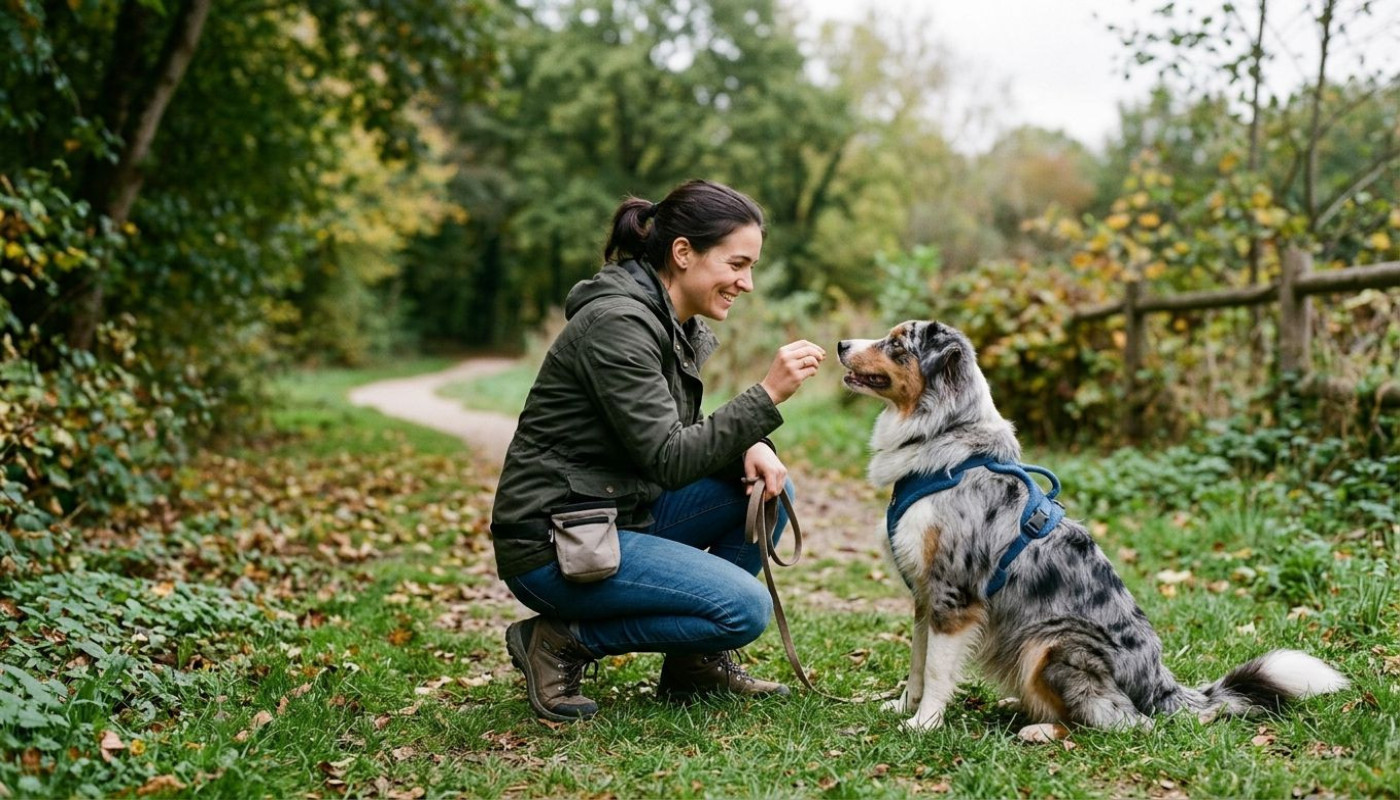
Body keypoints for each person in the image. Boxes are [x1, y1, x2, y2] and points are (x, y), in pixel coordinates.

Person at [490, 179, 826, 722]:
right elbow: (669, 457)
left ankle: (693, 666)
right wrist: (766, 397)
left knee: (763, 491)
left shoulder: (668, 319)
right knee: (744, 609)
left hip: (616, 512)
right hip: (557, 542)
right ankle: (559, 640)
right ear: (683, 253)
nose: (748, 283)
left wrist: (753, 444)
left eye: (752, 268)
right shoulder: (617, 324)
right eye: (737, 264)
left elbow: (675, 431)